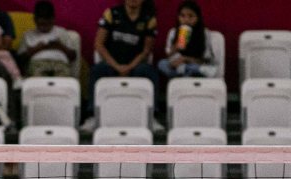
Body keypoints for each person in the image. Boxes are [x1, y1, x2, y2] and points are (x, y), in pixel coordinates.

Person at [85, 0, 158, 128]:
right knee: (96, 71)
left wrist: (129, 67)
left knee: (149, 72)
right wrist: (117, 66)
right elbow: (99, 44)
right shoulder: (112, 14)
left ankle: (152, 116)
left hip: (135, 65)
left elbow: (146, 51)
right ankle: (92, 115)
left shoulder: (149, 19)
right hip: (112, 63)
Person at [158, 1, 218, 79]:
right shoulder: (173, 32)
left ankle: (183, 75)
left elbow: (206, 60)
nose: (186, 20)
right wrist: (176, 46)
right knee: (162, 64)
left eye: (191, 16)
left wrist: (185, 59)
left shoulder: (204, 33)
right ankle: (185, 74)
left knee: (195, 68)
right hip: (178, 65)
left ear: (197, 18)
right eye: (182, 16)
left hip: (195, 65)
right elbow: (168, 55)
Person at [18, 1, 77, 78]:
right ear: (35, 20)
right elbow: (20, 60)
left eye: (47, 24)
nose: (44, 27)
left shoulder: (62, 32)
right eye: (41, 24)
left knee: (63, 80)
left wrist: (60, 46)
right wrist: (35, 49)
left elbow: (73, 56)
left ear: (53, 19)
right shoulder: (28, 35)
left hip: (60, 63)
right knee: (38, 80)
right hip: (37, 63)